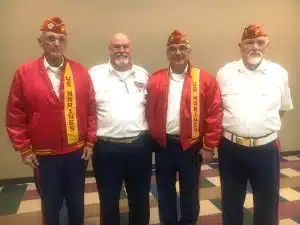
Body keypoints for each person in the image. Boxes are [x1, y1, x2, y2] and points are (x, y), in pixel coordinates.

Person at [5, 16, 97, 225]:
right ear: (41, 42)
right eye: (51, 38)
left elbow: (91, 109)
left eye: (61, 39)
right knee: (50, 204)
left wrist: (90, 141)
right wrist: (24, 148)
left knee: (76, 202)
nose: (56, 43)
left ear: (66, 42)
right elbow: (15, 113)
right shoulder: (25, 73)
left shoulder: (80, 72)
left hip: (76, 153)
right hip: (44, 156)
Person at [216, 24, 294, 225]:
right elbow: (217, 110)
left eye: (260, 42)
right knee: (231, 203)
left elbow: (282, 109)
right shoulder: (225, 73)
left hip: (266, 150)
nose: (255, 47)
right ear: (240, 46)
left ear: (268, 45)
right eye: (249, 43)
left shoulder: (279, 74)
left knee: (267, 203)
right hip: (231, 149)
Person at [146, 30, 223, 225]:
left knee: (190, 190)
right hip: (163, 145)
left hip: (191, 146)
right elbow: (147, 110)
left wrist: (209, 146)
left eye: (182, 48)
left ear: (189, 52)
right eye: (172, 49)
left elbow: (214, 113)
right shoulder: (155, 79)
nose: (177, 52)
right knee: (164, 190)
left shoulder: (204, 79)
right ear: (167, 53)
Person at [89, 33, 152, 225]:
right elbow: (86, 109)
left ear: (131, 49)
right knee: (108, 200)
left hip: (139, 146)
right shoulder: (94, 74)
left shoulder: (143, 74)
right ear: (109, 50)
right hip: (106, 149)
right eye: (117, 46)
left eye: (125, 46)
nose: (121, 50)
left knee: (140, 198)